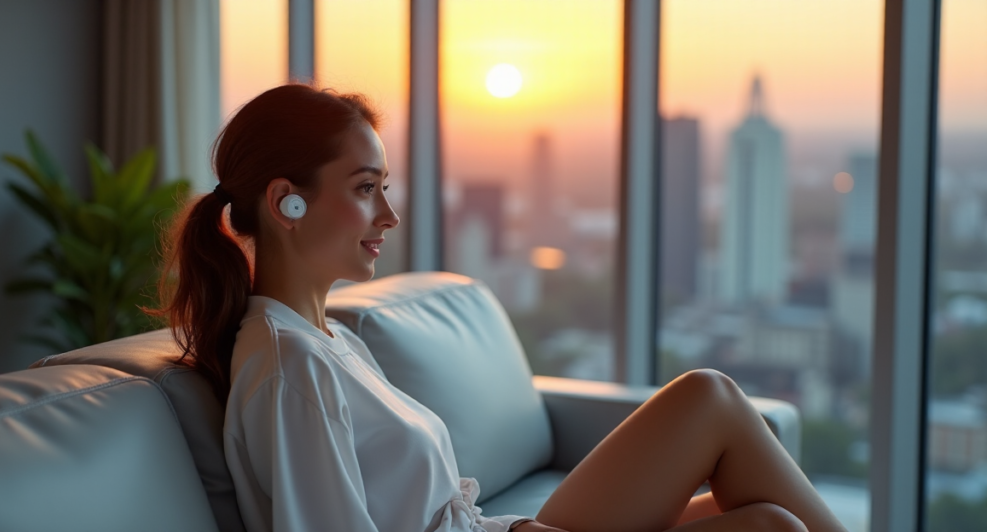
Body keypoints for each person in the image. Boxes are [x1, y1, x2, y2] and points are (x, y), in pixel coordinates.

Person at [152, 84, 847, 532]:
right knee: (713, 402)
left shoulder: (324, 338)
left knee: (767, 521)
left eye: (385, 187)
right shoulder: (288, 365)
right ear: (285, 203)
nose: (389, 214)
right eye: (366, 188)